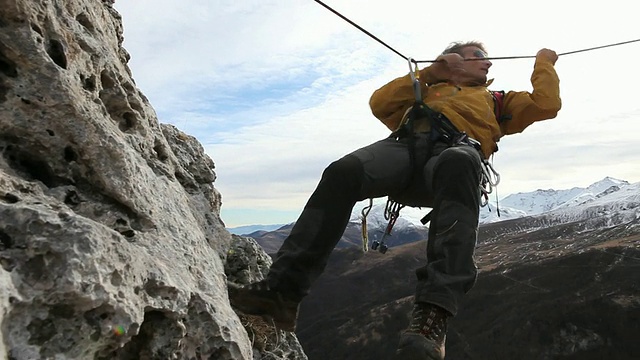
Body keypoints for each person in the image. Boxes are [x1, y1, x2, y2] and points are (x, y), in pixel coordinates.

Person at [228, 41, 561, 359]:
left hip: (452, 157)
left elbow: (546, 105)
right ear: (452, 59)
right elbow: (380, 103)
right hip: (406, 148)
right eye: (478, 55)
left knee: (460, 161)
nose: (488, 62)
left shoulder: (498, 101)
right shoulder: (425, 88)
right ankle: (281, 292)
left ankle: (433, 316)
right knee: (344, 171)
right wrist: (431, 73)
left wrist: (543, 63)